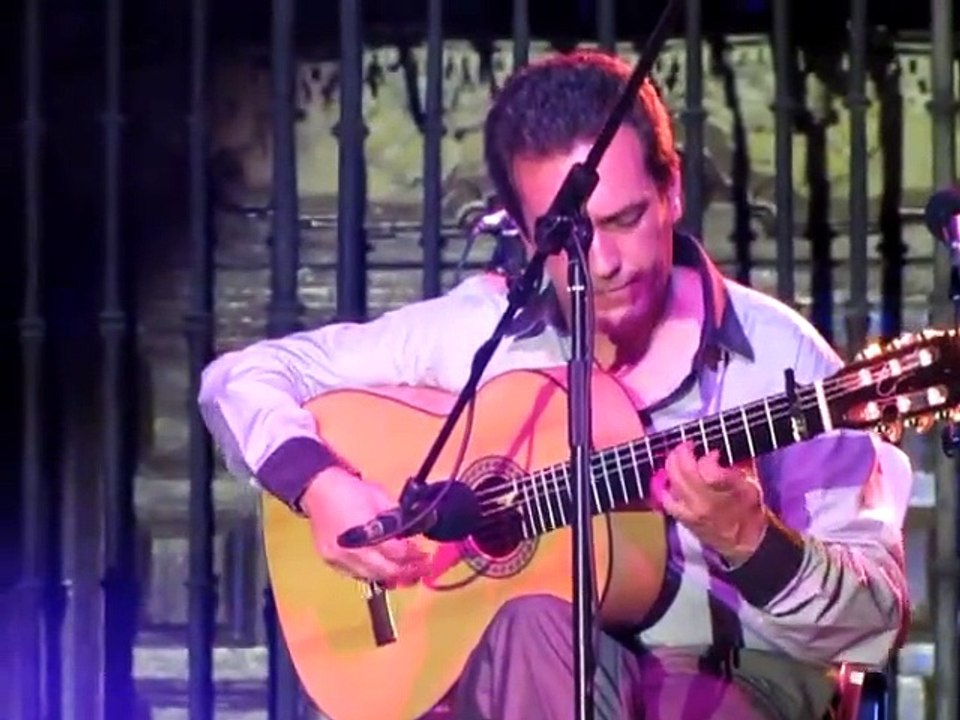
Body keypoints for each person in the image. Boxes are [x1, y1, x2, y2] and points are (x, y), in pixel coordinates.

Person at [198, 50, 912, 719]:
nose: (602, 263)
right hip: (526, 674)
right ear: (524, 229)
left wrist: (751, 539)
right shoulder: (486, 330)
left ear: (671, 191)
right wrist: (322, 485)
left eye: (626, 219)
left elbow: (872, 627)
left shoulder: (783, 361)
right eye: (567, 235)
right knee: (537, 618)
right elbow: (241, 377)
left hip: (729, 676)